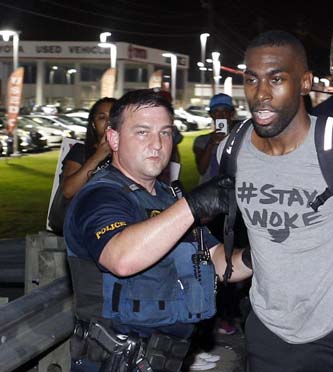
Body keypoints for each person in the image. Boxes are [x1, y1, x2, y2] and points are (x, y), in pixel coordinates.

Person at [216, 30, 333, 371]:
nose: (261, 94)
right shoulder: (231, 151)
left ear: (305, 82)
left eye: (276, 79)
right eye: (252, 80)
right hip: (265, 329)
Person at [64, 89, 234, 372]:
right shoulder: (100, 196)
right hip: (113, 360)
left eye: (165, 133)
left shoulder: (168, 197)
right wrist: (193, 206)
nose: (157, 144)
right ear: (114, 138)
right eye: (142, 132)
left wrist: (263, 251)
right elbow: (121, 258)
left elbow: (217, 260)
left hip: (166, 357)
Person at [60, 97, 117, 200]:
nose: (108, 122)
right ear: (93, 124)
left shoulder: (131, 151)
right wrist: (97, 157)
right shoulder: (80, 151)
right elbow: (68, 191)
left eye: (113, 116)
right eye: (102, 117)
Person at [193, 93, 236, 184]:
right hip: (209, 191)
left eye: (225, 111)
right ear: (211, 114)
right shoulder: (201, 141)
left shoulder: (240, 138)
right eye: (216, 111)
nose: (221, 115)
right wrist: (212, 142)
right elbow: (201, 170)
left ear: (231, 113)